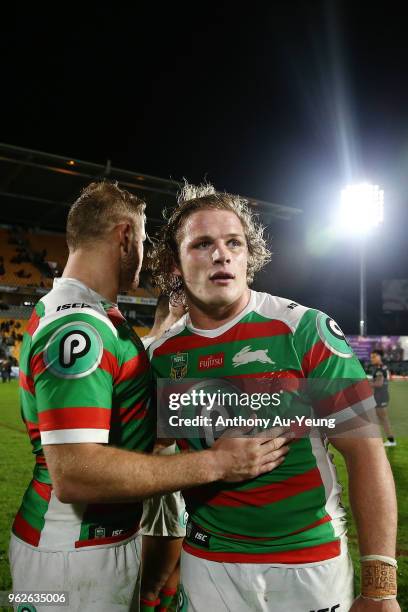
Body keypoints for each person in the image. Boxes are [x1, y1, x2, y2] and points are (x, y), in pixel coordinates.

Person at [9, 181, 292, 612]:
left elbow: (119, 387)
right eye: (142, 239)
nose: (143, 254)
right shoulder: (80, 328)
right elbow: (75, 473)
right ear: (125, 237)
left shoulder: (85, 313)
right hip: (74, 555)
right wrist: (220, 462)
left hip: (79, 549)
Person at [148, 182, 400, 611]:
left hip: (309, 564)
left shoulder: (304, 329)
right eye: (202, 244)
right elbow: (148, 458)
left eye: (234, 243)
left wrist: (380, 586)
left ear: (250, 256)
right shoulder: (160, 356)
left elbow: (365, 453)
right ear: (174, 263)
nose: (222, 254)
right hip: (210, 563)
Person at [370, 349, 396, 447]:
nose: (372, 359)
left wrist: (366, 383)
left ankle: (391, 440)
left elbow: (379, 383)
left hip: (380, 397)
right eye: (371, 357)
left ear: (380, 357)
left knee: (383, 419)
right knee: (379, 419)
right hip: (380, 396)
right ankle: (387, 439)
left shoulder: (380, 369)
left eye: (374, 356)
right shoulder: (380, 368)